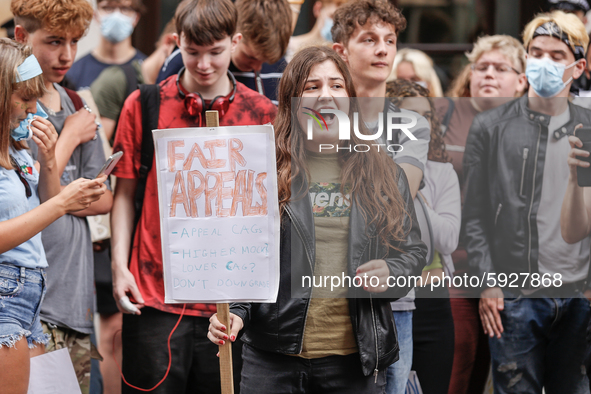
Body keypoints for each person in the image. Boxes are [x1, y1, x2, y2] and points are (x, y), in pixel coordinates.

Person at [207, 45, 427, 394]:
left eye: (337, 85)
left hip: (355, 361)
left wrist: (391, 272)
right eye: (312, 87)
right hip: (272, 359)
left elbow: (413, 254)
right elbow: (244, 254)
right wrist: (235, 311)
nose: (326, 95)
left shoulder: (384, 172)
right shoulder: (260, 169)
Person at [110, 0, 277, 392]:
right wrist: (120, 266)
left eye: (216, 52)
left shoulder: (263, 113)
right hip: (153, 294)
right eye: (193, 52)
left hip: (230, 299)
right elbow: (124, 193)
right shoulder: (144, 104)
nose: (204, 64)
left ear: (235, 43)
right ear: (176, 42)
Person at [463, 11, 591, 394]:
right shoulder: (490, 126)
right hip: (516, 293)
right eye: (536, 53)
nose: (544, 64)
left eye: (556, 56)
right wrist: (487, 283)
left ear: (578, 66)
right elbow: (475, 216)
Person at [12, 0, 114, 392]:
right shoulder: (16, 107)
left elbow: (102, 197)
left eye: (74, 42)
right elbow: (25, 193)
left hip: (76, 297)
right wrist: (69, 137)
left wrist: (71, 191)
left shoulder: (75, 103)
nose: (67, 54)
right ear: (21, 36)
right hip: (30, 301)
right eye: (54, 41)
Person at [331, 2, 431, 391]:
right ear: (341, 51)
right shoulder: (317, 117)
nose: (383, 50)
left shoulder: (412, 125)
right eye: (369, 39)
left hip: (390, 298)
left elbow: (395, 198)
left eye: (390, 40)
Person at [434, 34, 528, 394]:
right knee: (456, 363)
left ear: (521, 81)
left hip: (507, 269)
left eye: (499, 68)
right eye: (481, 67)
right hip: (452, 266)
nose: (488, 74)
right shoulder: (444, 113)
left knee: (490, 369)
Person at [387, 79, 460, 394]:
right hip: (392, 302)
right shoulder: (374, 166)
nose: (421, 123)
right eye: (409, 115)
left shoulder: (443, 173)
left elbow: (448, 241)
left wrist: (414, 198)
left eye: (427, 115)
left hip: (433, 303)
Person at [156, 0, 292, 105]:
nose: (257, 67)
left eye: (267, 61)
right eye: (250, 57)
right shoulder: (182, 63)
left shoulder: (281, 66)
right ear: (235, 39)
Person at [66, 0, 147, 90]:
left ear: (136, 18)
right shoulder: (74, 72)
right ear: (96, 15)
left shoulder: (146, 70)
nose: (116, 16)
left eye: (125, 9)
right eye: (108, 8)